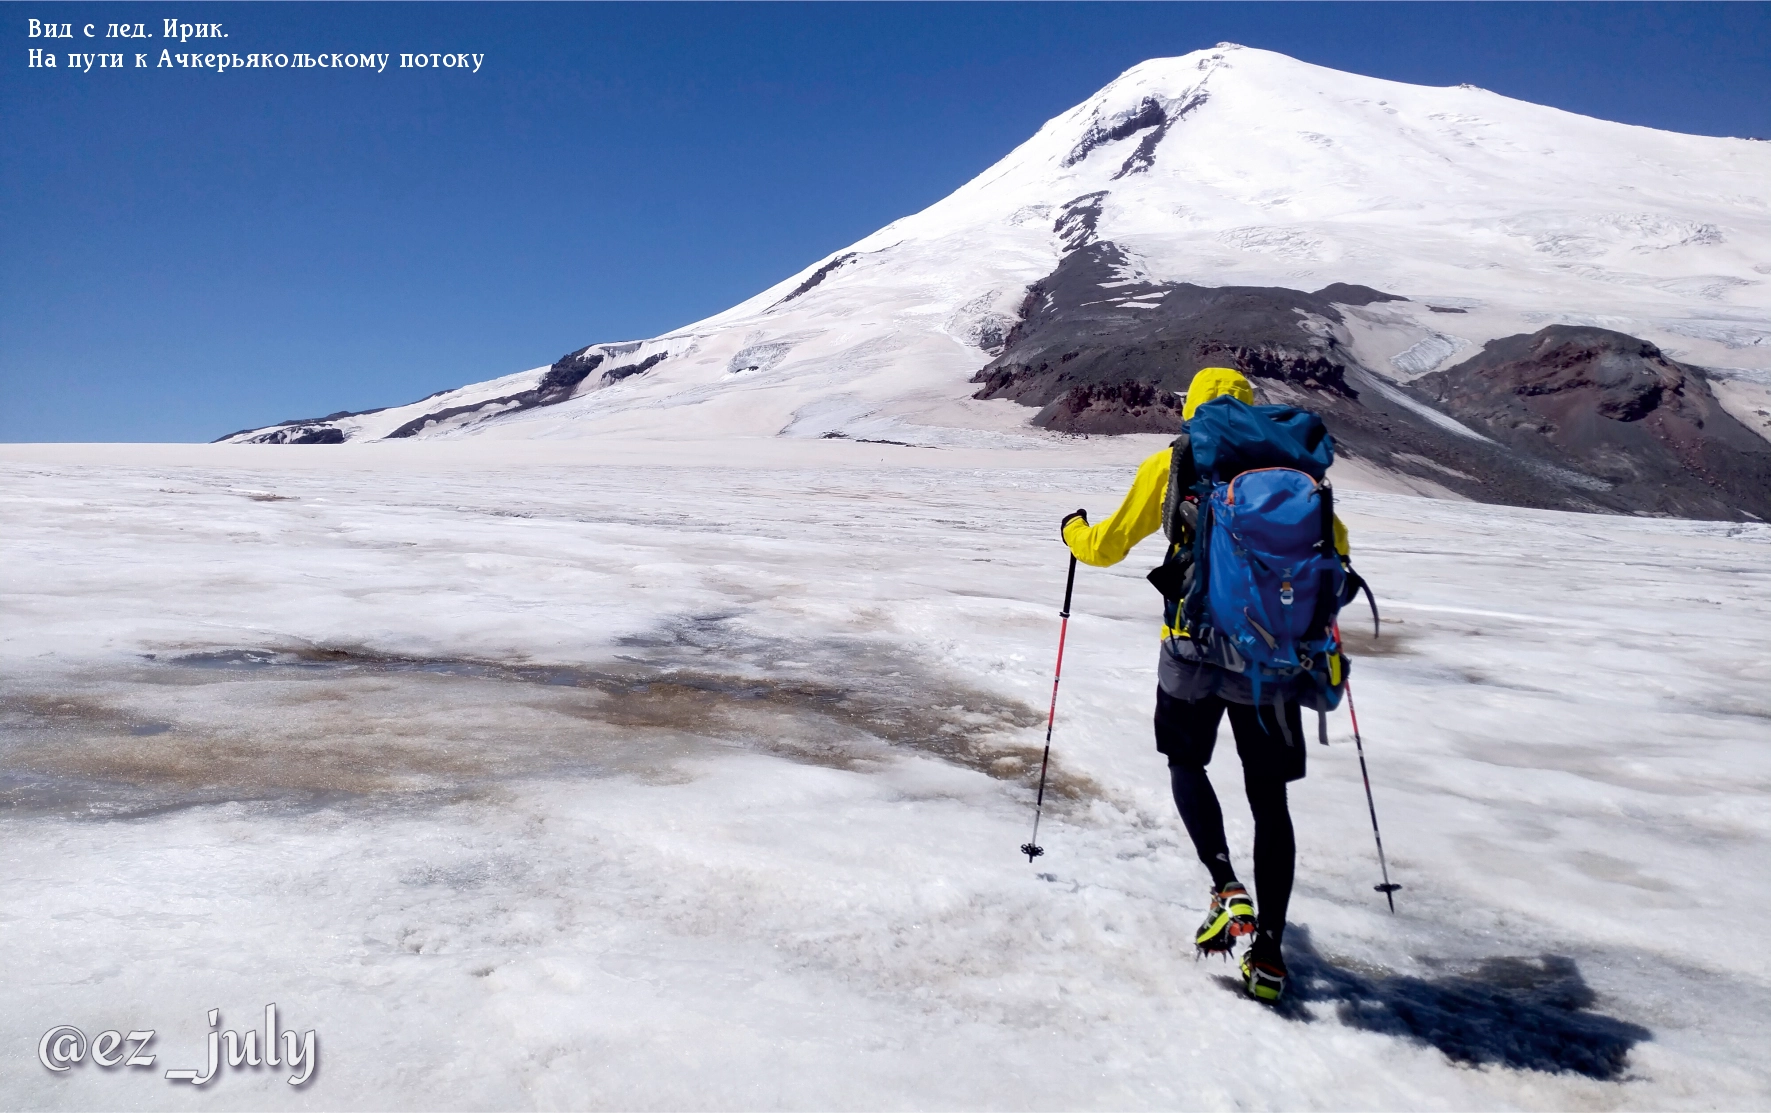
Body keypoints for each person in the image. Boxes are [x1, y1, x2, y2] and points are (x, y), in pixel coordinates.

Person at [1059, 367, 1350, 1003]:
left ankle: (1225, 886)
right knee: (1269, 799)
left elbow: (1108, 545)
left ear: (1191, 405)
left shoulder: (1176, 462)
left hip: (1190, 651)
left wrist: (1071, 533)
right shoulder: (1299, 476)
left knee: (1186, 763)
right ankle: (1269, 952)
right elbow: (1336, 562)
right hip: (1272, 662)